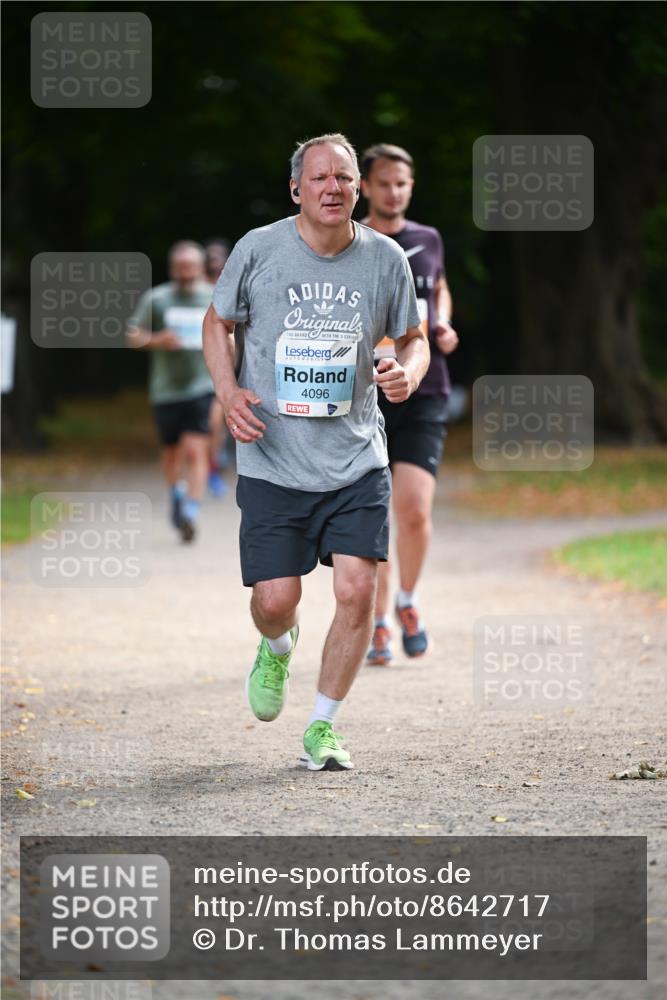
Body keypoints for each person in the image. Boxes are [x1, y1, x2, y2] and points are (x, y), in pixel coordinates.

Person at [203, 133, 428, 771]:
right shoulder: (259, 248)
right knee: (275, 601)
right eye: (321, 177)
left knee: (357, 590)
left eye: (345, 178)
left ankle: (322, 727)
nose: (334, 187)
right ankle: (277, 647)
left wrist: (409, 372)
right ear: (296, 189)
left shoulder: (385, 258)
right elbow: (217, 322)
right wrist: (228, 391)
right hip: (273, 457)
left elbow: (413, 338)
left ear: (358, 189)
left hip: (356, 459)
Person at [360, 143, 459, 665]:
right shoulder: (351, 241)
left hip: (425, 388)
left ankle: (407, 601)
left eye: (401, 183)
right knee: (373, 514)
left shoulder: (429, 238)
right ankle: (376, 622)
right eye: (384, 183)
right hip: (364, 396)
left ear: (410, 187)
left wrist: (442, 323)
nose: (393, 192)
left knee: (415, 511)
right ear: (364, 187)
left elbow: (438, 287)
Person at [127, 241, 215, 543]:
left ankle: (190, 510)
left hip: (201, 386)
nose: (185, 273)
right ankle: (177, 493)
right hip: (165, 390)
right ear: (171, 269)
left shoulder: (213, 296)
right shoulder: (157, 298)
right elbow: (132, 335)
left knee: (195, 450)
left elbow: (233, 331)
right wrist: (157, 340)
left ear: (201, 268)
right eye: (180, 268)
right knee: (172, 453)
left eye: (191, 267)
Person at [204, 238, 233, 498]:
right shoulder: (199, 289)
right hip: (201, 367)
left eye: (218, 258)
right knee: (213, 423)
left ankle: (215, 463)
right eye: (210, 258)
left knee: (217, 421)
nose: (215, 262)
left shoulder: (233, 286)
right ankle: (211, 466)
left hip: (229, 364)